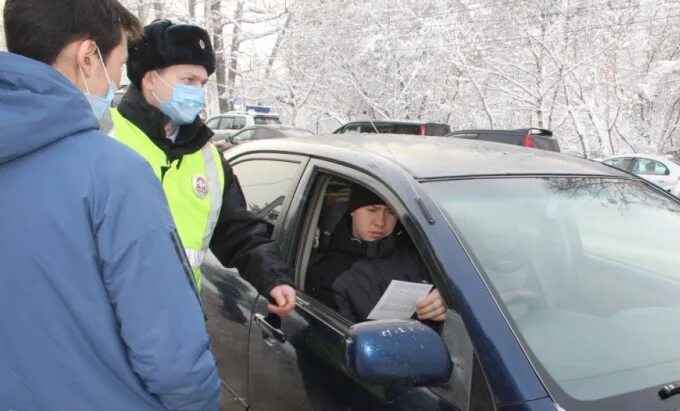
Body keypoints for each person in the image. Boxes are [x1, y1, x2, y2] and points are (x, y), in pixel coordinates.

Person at [0, 2, 236, 411]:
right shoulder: (110, 170)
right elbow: (170, 356)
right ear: (88, 57)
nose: (116, 81)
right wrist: (199, 410)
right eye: (118, 64)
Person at [112, 19, 295, 315]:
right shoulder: (106, 135)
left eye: (203, 83)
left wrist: (273, 277)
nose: (197, 92)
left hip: (178, 320)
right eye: (188, 80)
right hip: (109, 320)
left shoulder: (208, 158)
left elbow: (238, 230)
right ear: (150, 79)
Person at [307, 185, 447, 323]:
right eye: (372, 210)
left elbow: (455, 288)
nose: (380, 222)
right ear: (352, 210)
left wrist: (445, 300)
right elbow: (340, 334)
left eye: (391, 212)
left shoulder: (422, 253)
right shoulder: (325, 273)